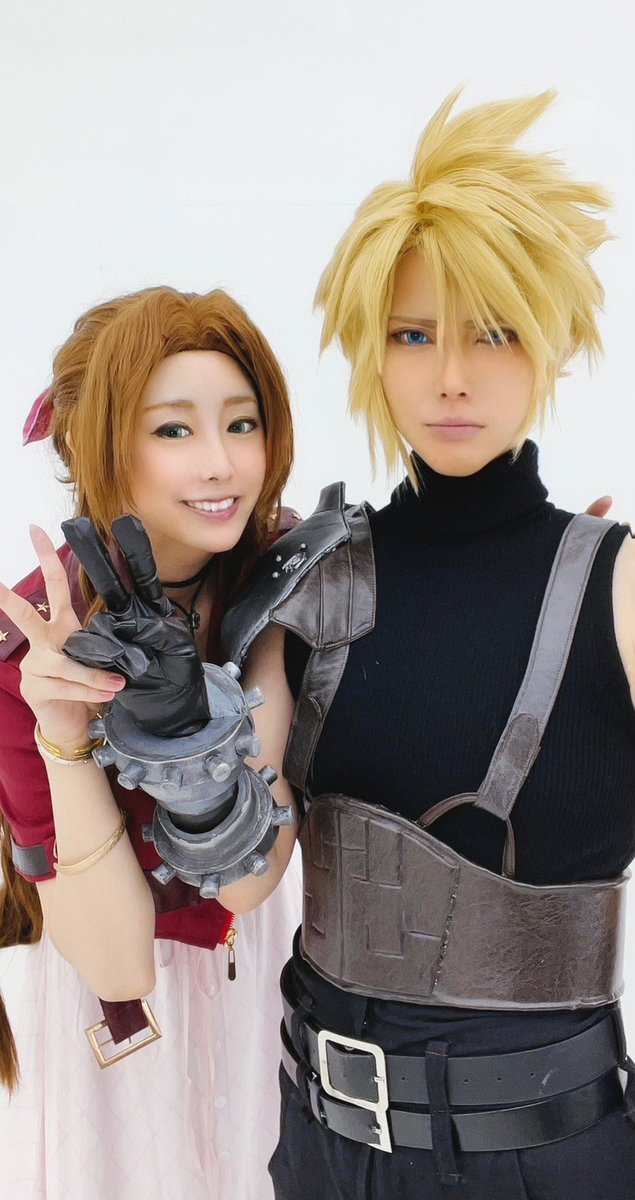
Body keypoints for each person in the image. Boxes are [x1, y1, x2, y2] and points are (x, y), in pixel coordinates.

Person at [219, 92, 635, 1199]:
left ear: (551, 342)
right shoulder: (308, 579)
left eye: (493, 331)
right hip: (320, 1145)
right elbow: (244, 883)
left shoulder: (617, 584)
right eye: (412, 334)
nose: (450, 375)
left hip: (541, 1156)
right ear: (370, 350)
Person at [0, 285, 302, 1200]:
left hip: (275, 994)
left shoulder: (300, 583)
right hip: (118, 1039)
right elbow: (119, 965)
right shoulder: (30, 647)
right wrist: (63, 735)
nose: (221, 463)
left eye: (242, 423)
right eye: (173, 430)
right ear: (99, 449)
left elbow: (246, 884)